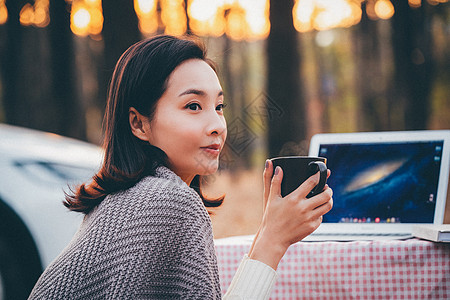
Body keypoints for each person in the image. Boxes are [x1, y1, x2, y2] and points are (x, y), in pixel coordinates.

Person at [29, 35, 333, 299]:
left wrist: (269, 230)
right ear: (139, 124)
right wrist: (273, 239)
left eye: (219, 107)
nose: (217, 126)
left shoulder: (126, 199)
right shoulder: (169, 203)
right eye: (193, 106)